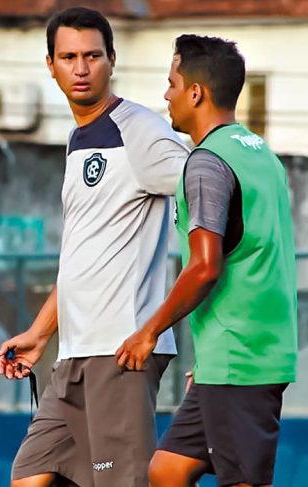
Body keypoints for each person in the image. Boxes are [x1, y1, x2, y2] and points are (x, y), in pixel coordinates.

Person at [0, 7, 189, 487]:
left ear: (111, 60)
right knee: (30, 476)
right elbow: (85, 257)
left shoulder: (138, 130)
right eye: (68, 57)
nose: (80, 69)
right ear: (51, 64)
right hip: (74, 353)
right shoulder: (79, 138)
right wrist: (41, 333)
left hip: (120, 351)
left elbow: (207, 181)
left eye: (92, 56)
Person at [116, 35, 297, 487]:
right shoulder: (261, 154)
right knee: (168, 470)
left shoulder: (206, 162)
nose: (166, 95)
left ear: (196, 93)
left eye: (172, 83)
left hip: (242, 358)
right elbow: (257, 253)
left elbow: (205, 266)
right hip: (238, 354)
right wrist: (211, 358)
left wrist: (148, 332)